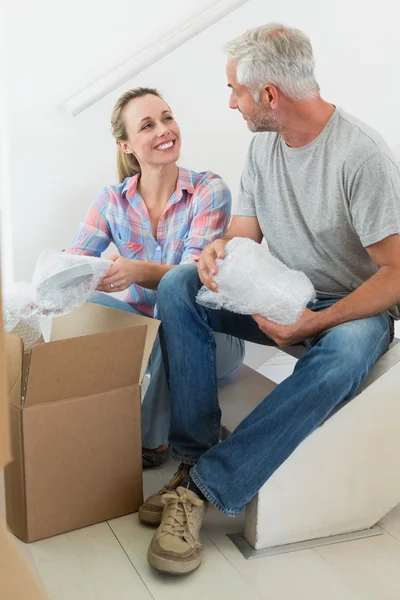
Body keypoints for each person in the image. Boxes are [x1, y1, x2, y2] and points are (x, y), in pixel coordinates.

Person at [140, 24, 400, 575]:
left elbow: (396, 275)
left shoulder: (361, 155)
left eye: (235, 89)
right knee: (177, 285)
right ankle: (192, 456)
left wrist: (313, 323)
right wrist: (216, 257)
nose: (230, 101)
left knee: (348, 350)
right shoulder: (262, 146)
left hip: (350, 308)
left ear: (269, 95)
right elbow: (244, 235)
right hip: (281, 291)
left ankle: (205, 487)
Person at [66, 87, 245, 468]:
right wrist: (89, 276)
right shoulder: (112, 200)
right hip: (145, 335)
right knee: (73, 299)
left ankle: (149, 437)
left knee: (173, 300)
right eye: (148, 125)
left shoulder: (208, 190)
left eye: (167, 117)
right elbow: (72, 262)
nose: (165, 130)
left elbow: (192, 279)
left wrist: (135, 272)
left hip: (209, 336)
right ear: (126, 145)